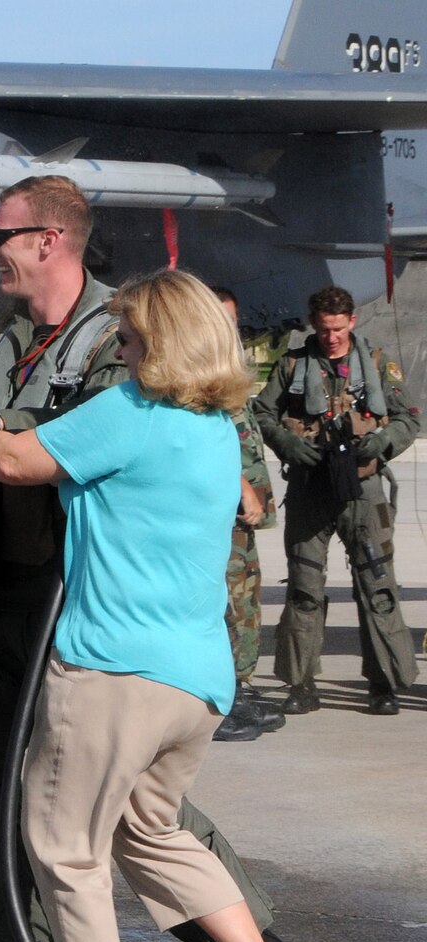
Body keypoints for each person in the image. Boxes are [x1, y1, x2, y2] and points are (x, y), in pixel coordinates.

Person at [0, 176, 288, 942]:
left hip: (86, 599)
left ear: (50, 240)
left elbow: (239, 469)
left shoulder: (135, 335)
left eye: (1, 234)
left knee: (125, 802)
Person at [251, 285, 418, 715]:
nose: (332, 337)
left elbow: (407, 418)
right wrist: (289, 445)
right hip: (311, 491)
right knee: (305, 589)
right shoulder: (293, 366)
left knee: (377, 588)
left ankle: (384, 683)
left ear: (352, 322)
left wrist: (381, 443)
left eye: (339, 329)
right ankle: (301, 682)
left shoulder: (377, 364)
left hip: (364, 491)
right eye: (324, 329)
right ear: (314, 324)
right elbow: (263, 414)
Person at [209, 287, 286, 742]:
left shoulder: (228, 370)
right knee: (228, 603)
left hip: (243, 513)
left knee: (247, 599)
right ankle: (224, 698)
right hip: (224, 508)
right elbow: (212, 438)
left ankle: (239, 687)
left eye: (232, 321)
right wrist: (241, 489)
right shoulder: (203, 377)